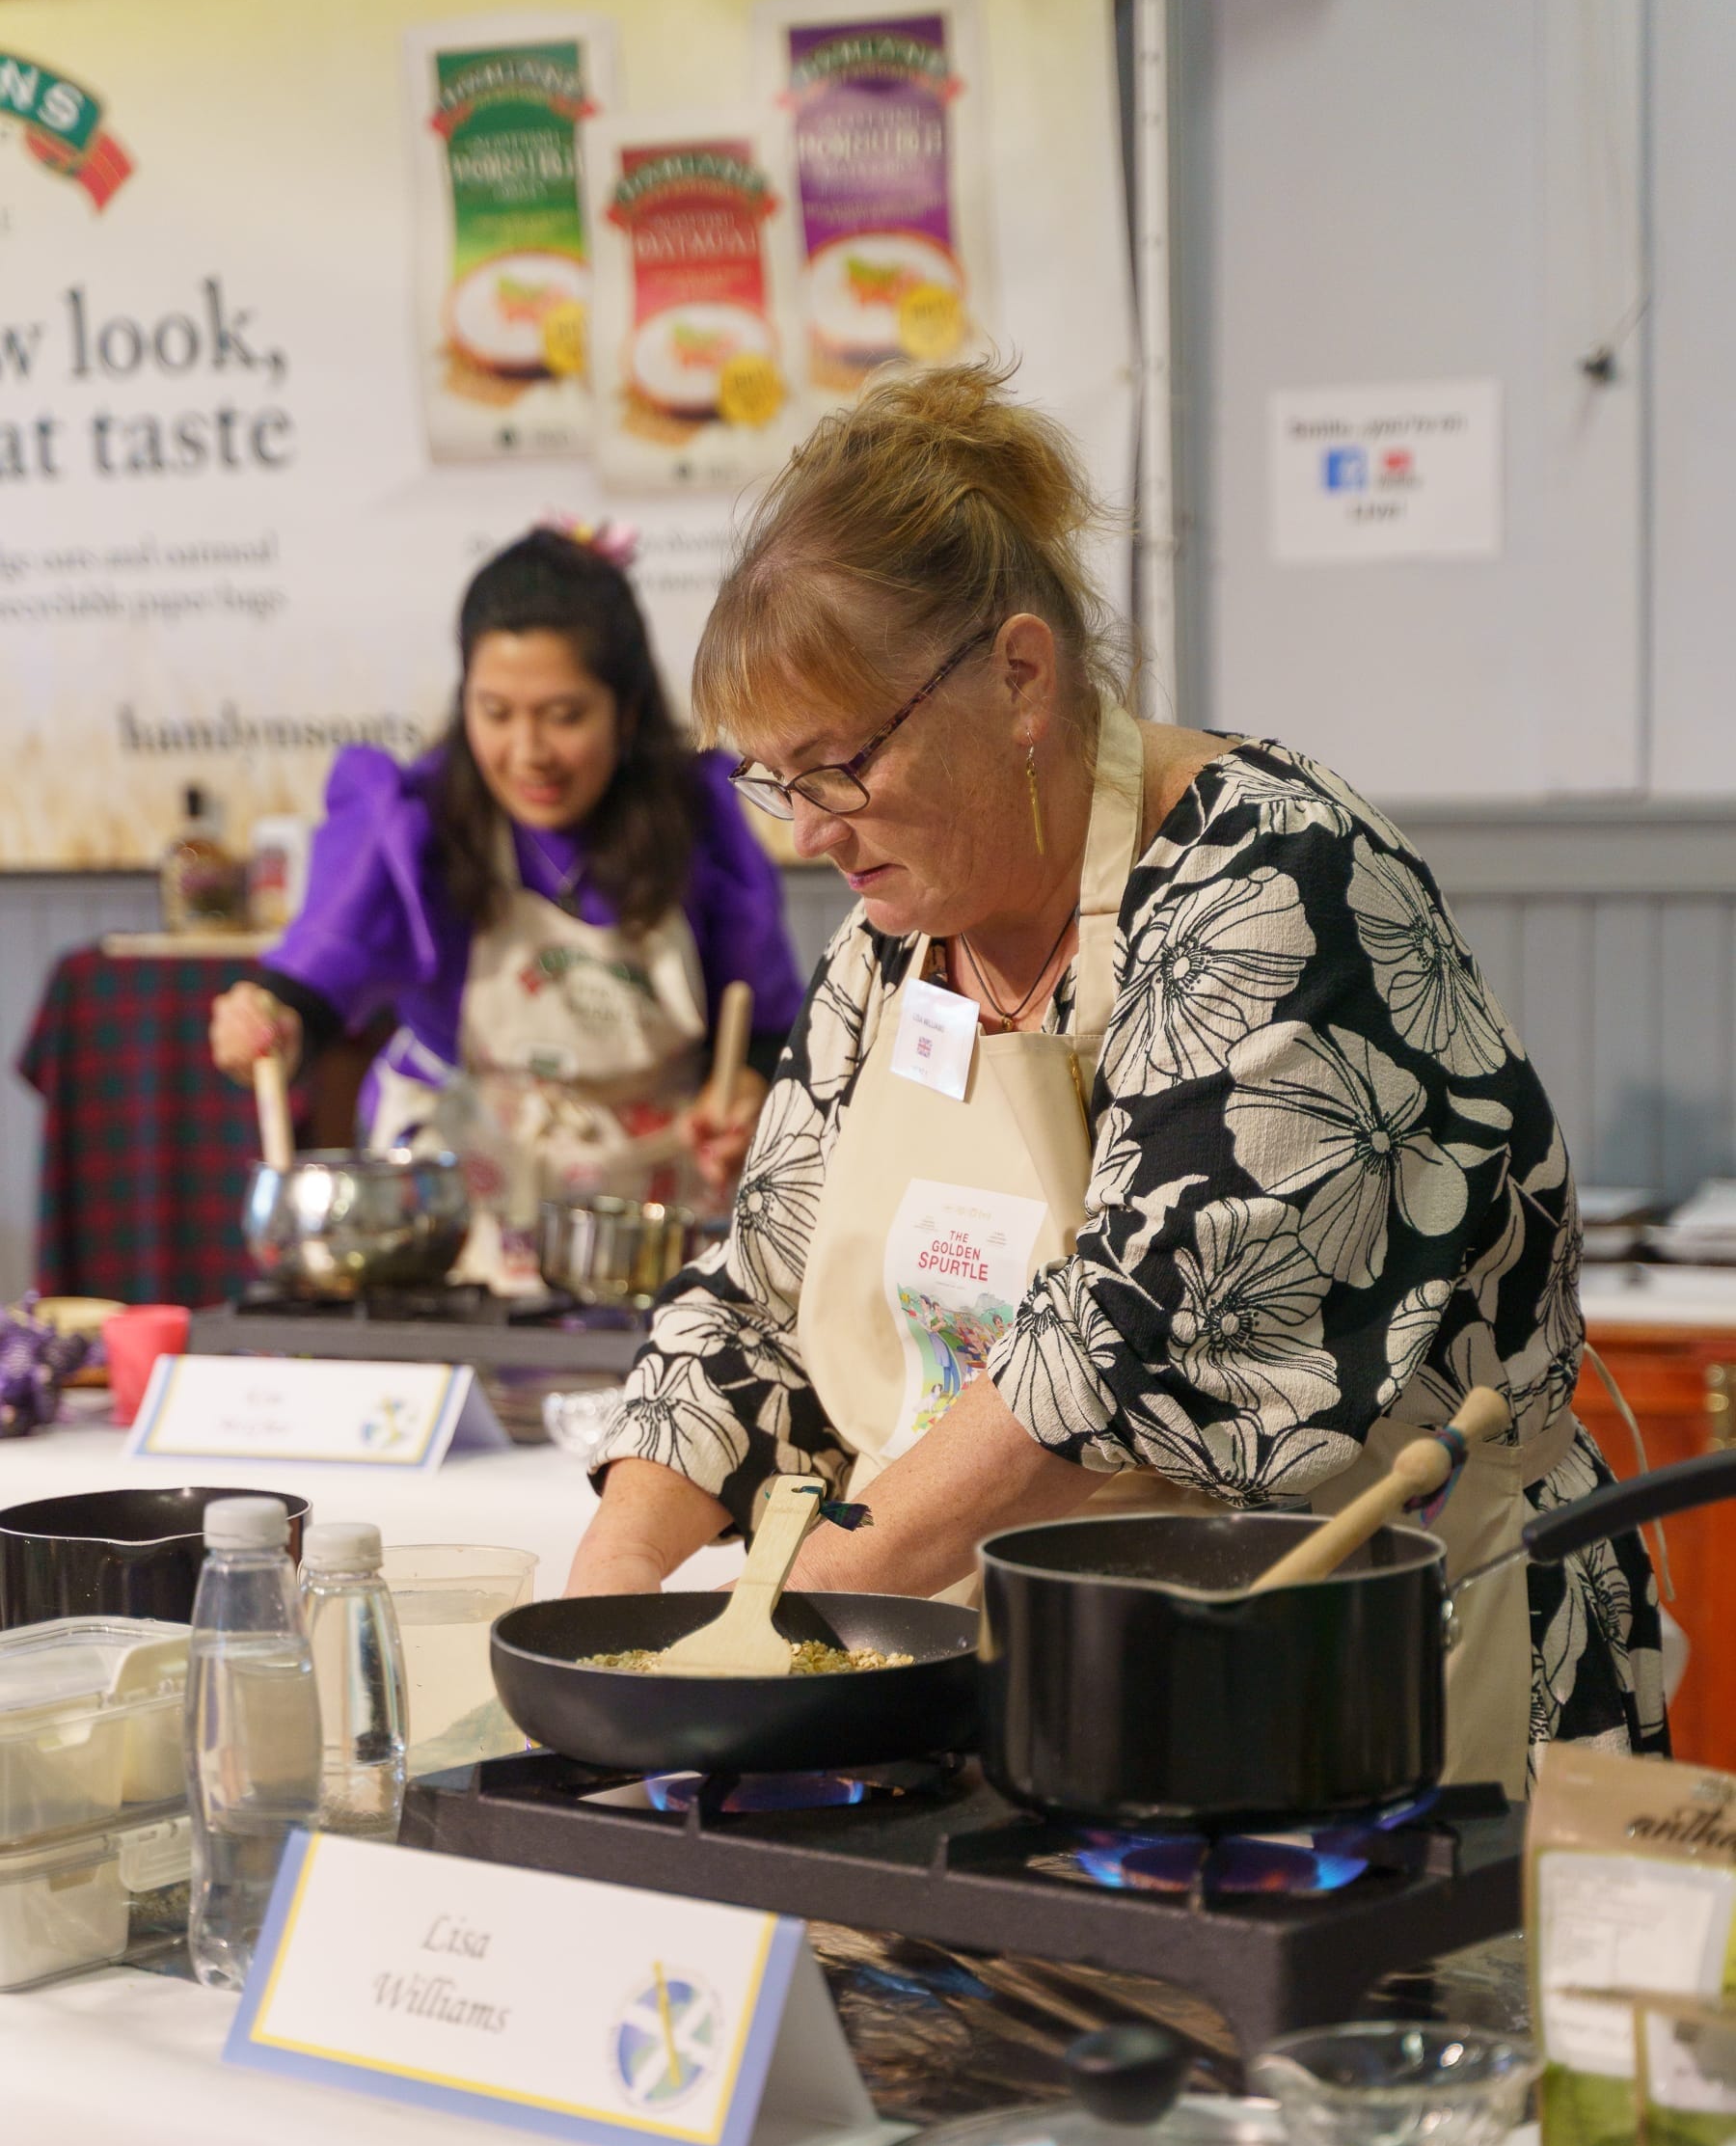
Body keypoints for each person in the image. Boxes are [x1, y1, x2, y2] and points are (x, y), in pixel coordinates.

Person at [567, 362, 1665, 1797]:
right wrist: (605, 1616)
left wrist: (787, 1627)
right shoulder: (894, 949)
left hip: (1366, 1679)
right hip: (1063, 1690)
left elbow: (1119, 1352)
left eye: (835, 767)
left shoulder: (1272, 886)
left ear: (1020, 676)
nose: (804, 836)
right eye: (769, 782)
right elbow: (756, 1297)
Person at [210, 527, 804, 1229]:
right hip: (458, 1201)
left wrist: (743, 1087)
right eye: (496, 712)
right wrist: (267, 1022)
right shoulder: (414, 823)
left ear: (629, 711)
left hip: (649, 1209)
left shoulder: (698, 819)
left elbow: (767, 1026)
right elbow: (314, 980)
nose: (528, 754)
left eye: (564, 716)